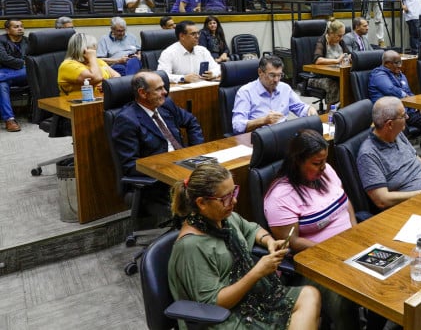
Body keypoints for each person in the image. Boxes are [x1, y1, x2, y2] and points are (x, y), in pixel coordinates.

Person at [169, 163, 320, 330]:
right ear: (202, 203)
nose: (233, 200)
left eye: (233, 192)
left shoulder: (225, 219)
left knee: (310, 295)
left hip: (251, 298)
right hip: (224, 317)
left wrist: (269, 241)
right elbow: (214, 304)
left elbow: (252, 229)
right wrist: (257, 272)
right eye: (225, 198)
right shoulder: (191, 247)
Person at [264, 130, 360, 330]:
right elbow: (292, 242)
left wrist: (355, 231)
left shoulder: (326, 172)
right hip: (315, 263)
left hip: (350, 247)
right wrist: (333, 251)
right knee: (343, 295)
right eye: (317, 163)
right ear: (297, 161)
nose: (323, 168)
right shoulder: (280, 197)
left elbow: (344, 200)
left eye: (324, 161)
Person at [112, 70, 203, 178]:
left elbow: (191, 121)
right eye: (159, 89)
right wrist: (168, 168)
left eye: (164, 87)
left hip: (186, 163)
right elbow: (131, 165)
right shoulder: (127, 120)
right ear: (143, 93)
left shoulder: (165, 104)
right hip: (161, 177)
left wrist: (195, 152)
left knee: (219, 174)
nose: (165, 92)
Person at [357, 97, 421, 209]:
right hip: (408, 207)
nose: (407, 117)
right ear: (390, 124)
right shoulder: (368, 155)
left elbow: (416, 159)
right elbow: (382, 200)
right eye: (403, 116)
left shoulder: (397, 134)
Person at [369, 51, 421, 146]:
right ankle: (406, 158)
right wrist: (407, 97)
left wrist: (418, 103)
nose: (400, 66)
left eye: (400, 62)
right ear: (387, 64)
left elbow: (409, 92)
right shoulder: (378, 75)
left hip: (407, 111)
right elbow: (390, 89)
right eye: (396, 63)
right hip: (389, 115)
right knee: (400, 129)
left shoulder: (400, 75)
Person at [232, 55, 318, 134]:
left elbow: (299, 107)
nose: (276, 80)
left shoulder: (284, 88)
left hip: (283, 133)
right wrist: (264, 120)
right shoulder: (245, 92)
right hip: (259, 136)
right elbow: (237, 126)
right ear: (260, 72)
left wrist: (309, 109)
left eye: (279, 75)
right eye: (272, 75)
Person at [309, 20, 350, 107]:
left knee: (351, 81)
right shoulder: (322, 41)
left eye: (343, 35)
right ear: (331, 33)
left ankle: (344, 109)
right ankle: (329, 115)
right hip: (318, 77)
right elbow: (317, 60)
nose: (341, 38)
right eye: (339, 35)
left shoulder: (340, 41)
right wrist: (337, 61)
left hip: (336, 75)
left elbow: (348, 54)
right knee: (333, 85)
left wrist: (350, 57)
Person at [0, 19, 28, 132]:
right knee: (1, 85)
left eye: (21, 26)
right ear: (7, 30)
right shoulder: (1, 40)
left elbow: (32, 59)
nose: (20, 28)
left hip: (24, 74)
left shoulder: (29, 41)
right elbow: (3, 58)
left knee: (30, 71)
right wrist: (22, 63)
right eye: (16, 27)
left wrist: (23, 64)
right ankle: (10, 120)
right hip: (5, 73)